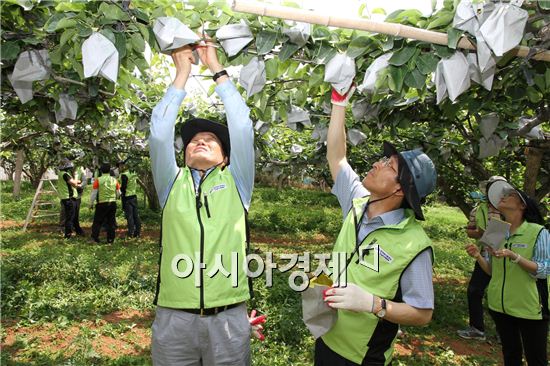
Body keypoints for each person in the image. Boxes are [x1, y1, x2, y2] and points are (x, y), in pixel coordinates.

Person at [148, 39, 264, 366]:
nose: (200, 140)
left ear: (226, 158)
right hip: (174, 319)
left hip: (228, 318)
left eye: (211, 140)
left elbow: (241, 126)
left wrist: (216, 67)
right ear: (183, 154)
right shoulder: (171, 183)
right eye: (193, 141)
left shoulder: (236, 182)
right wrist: (182, 71)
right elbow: (158, 134)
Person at [319, 87, 437, 366]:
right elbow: (336, 157)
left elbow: (422, 314)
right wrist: (339, 102)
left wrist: (375, 304)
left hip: (362, 355)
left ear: (401, 190)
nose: (377, 163)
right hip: (326, 333)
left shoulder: (414, 245)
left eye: (388, 165)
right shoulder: (358, 203)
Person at [466, 181, 549, 366]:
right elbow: (491, 271)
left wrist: (515, 256)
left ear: (522, 205)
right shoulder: (496, 230)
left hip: (530, 309)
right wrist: (478, 255)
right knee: (510, 355)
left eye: (510, 194)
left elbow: (544, 270)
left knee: (536, 359)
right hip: (500, 306)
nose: (503, 196)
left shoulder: (538, 232)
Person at [457, 176, 506, 341]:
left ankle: (505, 333)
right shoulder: (478, 209)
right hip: (485, 254)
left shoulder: (509, 208)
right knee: (475, 291)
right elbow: (470, 231)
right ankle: (477, 329)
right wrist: (479, 233)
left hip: (506, 256)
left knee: (501, 293)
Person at [90, 163, 120, 244]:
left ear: (101, 170)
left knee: (97, 222)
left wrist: (91, 204)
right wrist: (115, 198)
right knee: (111, 222)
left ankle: (95, 238)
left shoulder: (98, 180)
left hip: (102, 203)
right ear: (109, 170)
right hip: (112, 203)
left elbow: (94, 193)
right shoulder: (114, 180)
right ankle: (110, 240)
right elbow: (118, 193)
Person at [57, 158, 83, 239]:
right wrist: (75, 177)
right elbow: (74, 184)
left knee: (72, 216)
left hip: (67, 198)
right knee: (70, 217)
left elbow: (73, 182)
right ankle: (68, 234)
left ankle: (75, 232)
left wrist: (76, 181)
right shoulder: (65, 174)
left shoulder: (62, 173)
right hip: (69, 198)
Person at [117, 160, 141, 238]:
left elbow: (123, 187)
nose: (120, 167)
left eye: (121, 166)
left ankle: (130, 232)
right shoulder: (133, 172)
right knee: (136, 215)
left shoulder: (124, 175)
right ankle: (137, 232)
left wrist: (120, 193)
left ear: (125, 166)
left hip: (127, 197)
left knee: (129, 216)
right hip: (134, 196)